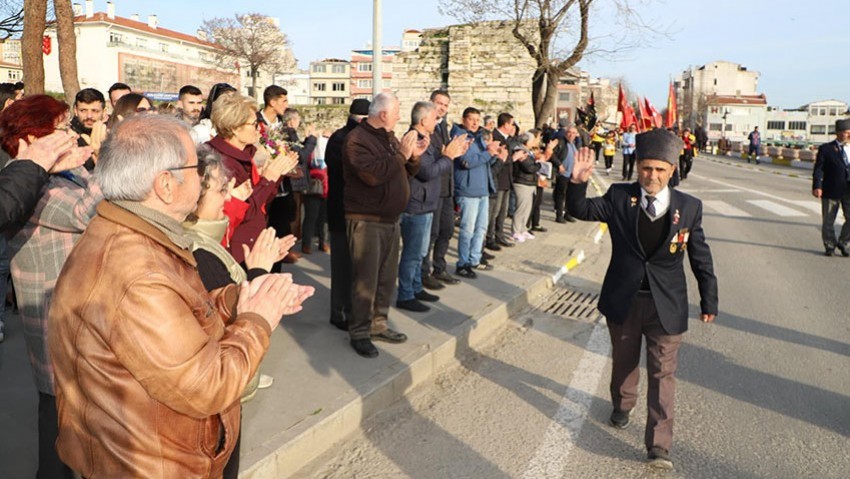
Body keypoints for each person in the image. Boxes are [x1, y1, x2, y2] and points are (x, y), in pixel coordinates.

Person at [47, 114, 312, 478]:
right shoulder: (138, 271)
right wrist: (257, 321)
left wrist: (242, 298)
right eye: (194, 167)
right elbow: (209, 385)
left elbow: (184, 312)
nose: (202, 179)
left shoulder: (128, 233)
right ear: (166, 185)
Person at [567, 128, 718, 470]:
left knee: (663, 373)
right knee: (624, 362)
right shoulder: (620, 197)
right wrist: (576, 182)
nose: (652, 176)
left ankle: (659, 445)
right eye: (647, 168)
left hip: (667, 305)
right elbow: (581, 210)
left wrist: (709, 300)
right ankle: (622, 404)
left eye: (660, 170)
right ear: (638, 167)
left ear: (672, 170)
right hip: (624, 301)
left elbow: (700, 257)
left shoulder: (689, 207)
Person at [183, 145, 303, 479]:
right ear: (193, 197)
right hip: (214, 403)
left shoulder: (202, 243)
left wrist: (253, 267)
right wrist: (259, 274)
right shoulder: (198, 253)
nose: (228, 198)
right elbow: (231, 324)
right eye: (222, 190)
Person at [2, 95, 100, 478]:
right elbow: (86, 212)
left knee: (71, 408)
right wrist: (108, 160)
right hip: (53, 310)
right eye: (60, 127)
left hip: (74, 305)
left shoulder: (59, 174)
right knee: (57, 410)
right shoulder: (32, 185)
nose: (69, 134)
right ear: (33, 136)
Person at [342, 92, 427, 358]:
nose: (401, 116)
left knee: (386, 280)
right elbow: (373, 175)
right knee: (366, 280)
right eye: (398, 112)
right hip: (366, 220)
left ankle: (378, 324)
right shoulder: (357, 140)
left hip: (390, 220)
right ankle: (359, 331)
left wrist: (412, 157)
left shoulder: (389, 138)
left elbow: (401, 171)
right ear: (383, 114)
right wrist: (402, 155)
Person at [206, 93, 296, 264]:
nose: (259, 129)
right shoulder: (221, 162)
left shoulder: (244, 155)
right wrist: (268, 179)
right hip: (235, 251)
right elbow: (242, 212)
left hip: (250, 242)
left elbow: (262, 202)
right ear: (234, 127)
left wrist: (276, 173)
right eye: (254, 124)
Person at [396, 101, 466, 313]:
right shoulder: (414, 139)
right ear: (424, 120)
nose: (437, 121)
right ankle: (406, 294)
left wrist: (449, 153)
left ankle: (416, 287)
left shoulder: (429, 138)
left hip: (426, 203)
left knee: (421, 252)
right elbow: (426, 171)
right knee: (412, 252)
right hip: (416, 203)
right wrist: (448, 157)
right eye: (435, 117)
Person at [325, 99, 370, 330]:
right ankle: (340, 312)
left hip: (353, 211)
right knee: (343, 266)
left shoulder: (345, 137)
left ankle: (351, 309)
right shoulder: (342, 139)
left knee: (354, 266)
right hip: (342, 212)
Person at [451, 107, 506, 279]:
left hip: (482, 188)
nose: (475, 123)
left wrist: (495, 155)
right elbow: (466, 162)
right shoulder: (460, 137)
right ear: (464, 119)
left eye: (477, 119)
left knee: (481, 228)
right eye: (471, 119)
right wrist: (488, 153)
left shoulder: (478, 138)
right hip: (468, 190)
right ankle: (463, 263)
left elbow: (483, 161)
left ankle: (475, 259)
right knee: (467, 229)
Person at [422, 90, 461, 288]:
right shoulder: (427, 129)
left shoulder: (445, 127)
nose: (442, 108)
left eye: (446, 105)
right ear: (430, 103)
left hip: (447, 188)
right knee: (432, 233)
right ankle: (424, 272)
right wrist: (447, 154)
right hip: (433, 189)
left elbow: (449, 157)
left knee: (446, 230)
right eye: (439, 103)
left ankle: (440, 267)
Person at [812, 118, 850, 257]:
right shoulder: (826, 149)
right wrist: (817, 186)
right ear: (839, 133)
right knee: (828, 220)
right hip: (831, 188)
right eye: (846, 132)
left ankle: (844, 242)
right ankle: (829, 245)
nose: (848, 134)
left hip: (848, 189)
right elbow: (819, 169)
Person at [486, 112, 516, 251]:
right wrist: (513, 158)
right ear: (505, 124)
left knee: (503, 211)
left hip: (507, 179)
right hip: (498, 179)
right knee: (494, 211)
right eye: (511, 123)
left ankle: (499, 234)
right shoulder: (495, 138)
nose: (513, 126)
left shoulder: (508, 139)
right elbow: (501, 158)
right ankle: (489, 237)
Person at [510, 132, 543, 243]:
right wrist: (539, 164)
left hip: (529, 183)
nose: (534, 142)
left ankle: (523, 228)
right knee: (521, 208)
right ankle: (516, 231)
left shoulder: (528, 151)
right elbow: (529, 168)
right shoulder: (520, 151)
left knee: (527, 208)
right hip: (522, 182)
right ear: (526, 141)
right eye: (532, 140)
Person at [70, 87, 107, 169]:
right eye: (83, 110)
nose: (89, 116)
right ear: (75, 111)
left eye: (95, 111)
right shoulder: (68, 138)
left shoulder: (111, 136)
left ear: (104, 112)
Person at [552, 124, 578, 223]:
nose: (571, 135)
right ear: (566, 133)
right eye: (569, 132)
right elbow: (552, 154)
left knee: (570, 195)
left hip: (572, 174)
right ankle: (559, 215)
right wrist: (559, 165)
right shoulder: (561, 142)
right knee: (560, 195)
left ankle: (568, 214)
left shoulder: (574, 144)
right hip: (563, 173)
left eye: (573, 133)